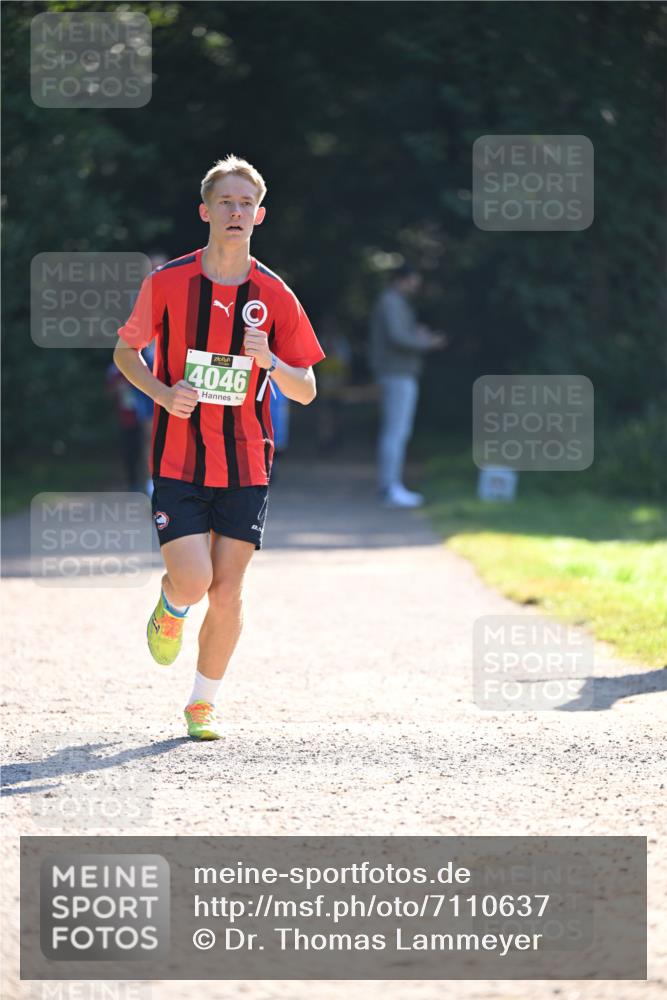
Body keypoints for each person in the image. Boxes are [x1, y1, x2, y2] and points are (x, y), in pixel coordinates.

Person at [113, 155, 325, 740]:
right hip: (179, 457)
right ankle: (171, 606)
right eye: (225, 202)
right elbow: (126, 352)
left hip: (246, 462)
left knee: (228, 591)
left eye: (246, 203)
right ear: (205, 211)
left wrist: (271, 361)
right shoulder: (168, 282)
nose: (236, 212)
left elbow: (305, 389)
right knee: (193, 582)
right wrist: (162, 392)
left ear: (260, 215)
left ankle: (202, 702)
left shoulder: (275, 295)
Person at [368, 265, 446, 508]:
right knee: (396, 432)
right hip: (396, 374)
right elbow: (398, 338)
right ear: (401, 280)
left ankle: (391, 486)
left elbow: (400, 334)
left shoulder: (394, 302)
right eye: (413, 280)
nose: (416, 286)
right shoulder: (391, 302)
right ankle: (389, 488)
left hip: (399, 373)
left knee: (398, 432)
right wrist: (426, 342)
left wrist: (417, 335)